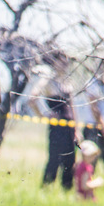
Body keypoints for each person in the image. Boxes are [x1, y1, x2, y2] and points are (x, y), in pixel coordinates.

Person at [27, 51, 76, 190]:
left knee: (70, 159)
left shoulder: (67, 81)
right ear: (54, 62)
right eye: (62, 61)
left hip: (70, 126)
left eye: (67, 62)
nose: (65, 64)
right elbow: (33, 98)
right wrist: (45, 115)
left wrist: (76, 128)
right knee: (54, 158)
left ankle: (66, 189)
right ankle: (46, 187)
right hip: (57, 127)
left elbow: (72, 107)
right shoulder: (49, 80)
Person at [73, 55, 104, 180]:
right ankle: (85, 188)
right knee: (90, 162)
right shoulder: (92, 83)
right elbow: (94, 108)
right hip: (94, 127)